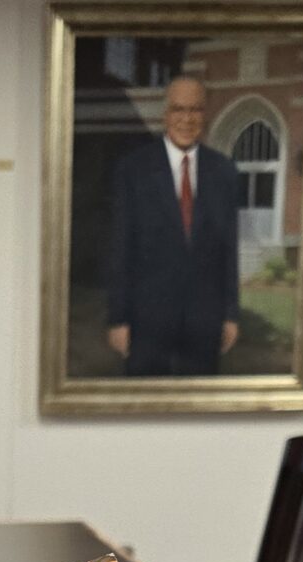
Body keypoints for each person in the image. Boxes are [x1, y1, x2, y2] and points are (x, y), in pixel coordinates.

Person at [102, 74, 241, 376]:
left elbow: (228, 249)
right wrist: (118, 319)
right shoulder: (133, 170)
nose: (187, 119)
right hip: (147, 319)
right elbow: (121, 248)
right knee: (144, 410)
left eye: (195, 110)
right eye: (179, 109)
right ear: (165, 115)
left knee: (200, 411)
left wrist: (230, 314)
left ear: (205, 114)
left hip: (205, 320)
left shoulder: (224, 172)